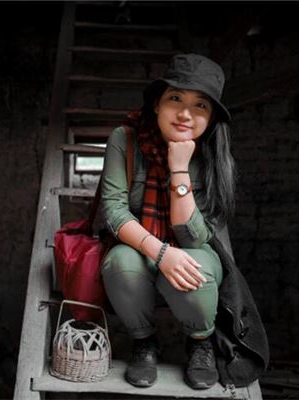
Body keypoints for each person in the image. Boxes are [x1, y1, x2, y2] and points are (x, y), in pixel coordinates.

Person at [99, 53, 236, 389]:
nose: (186, 113)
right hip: (138, 247)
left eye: (200, 105)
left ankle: (200, 342)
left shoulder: (212, 155)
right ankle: (144, 342)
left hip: (191, 248)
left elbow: (193, 238)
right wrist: (161, 253)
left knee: (196, 269)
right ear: (157, 104)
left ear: (210, 118)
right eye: (176, 98)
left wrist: (179, 167)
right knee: (120, 263)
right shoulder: (124, 139)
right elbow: (114, 211)